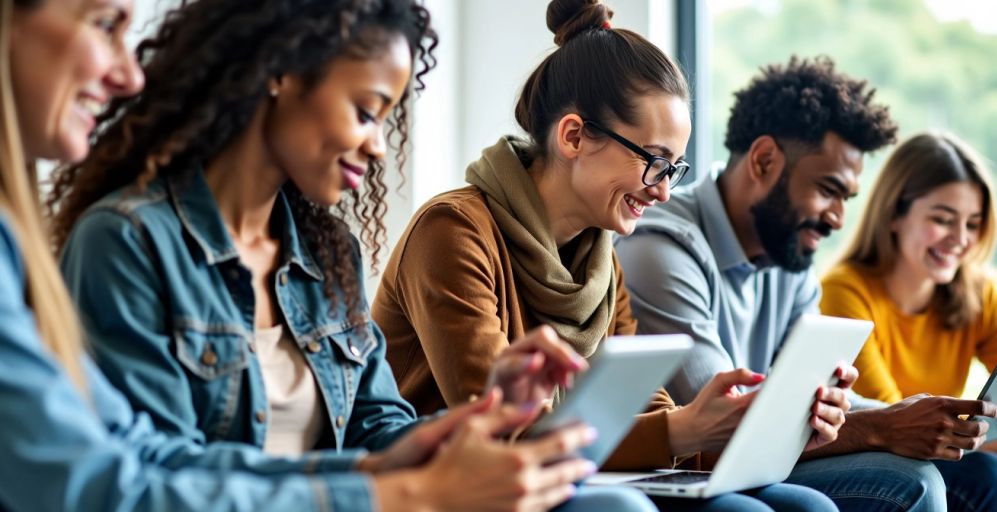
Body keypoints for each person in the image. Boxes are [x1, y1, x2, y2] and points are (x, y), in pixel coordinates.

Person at [3, 0, 649, 510]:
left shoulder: (326, 252)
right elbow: (140, 482)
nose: (377, 147)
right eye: (366, 112)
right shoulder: (128, 241)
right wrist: (399, 495)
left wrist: (474, 425)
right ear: (282, 71)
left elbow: (378, 425)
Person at [372, 1, 845, 510]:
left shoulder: (600, 260)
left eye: (674, 170)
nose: (663, 192)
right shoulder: (452, 231)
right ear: (574, 136)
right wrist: (681, 429)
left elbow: (646, 409)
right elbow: (502, 430)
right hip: (470, 485)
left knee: (804, 506)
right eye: (655, 163)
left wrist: (771, 429)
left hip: (571, 474)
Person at [615, 56, 970, 511]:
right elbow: (719, 431)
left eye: (846, 198)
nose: (838, 219)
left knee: (981, 474)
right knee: (912, 482)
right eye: (828, 190)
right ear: (764, 160)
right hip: (694, 466)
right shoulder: (661, 247)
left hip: (754, 457)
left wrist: (914, 415)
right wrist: (883, 426)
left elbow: (810, 399)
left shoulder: (789, 257)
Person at [820, 131, 997, 508]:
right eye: (943, 220)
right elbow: (897, 424)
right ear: (895, 214)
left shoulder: (980, 293)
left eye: (973, 224)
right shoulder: (845, 291)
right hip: (878, 456)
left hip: (944, 455)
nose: (960, 239)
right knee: (989, 478)